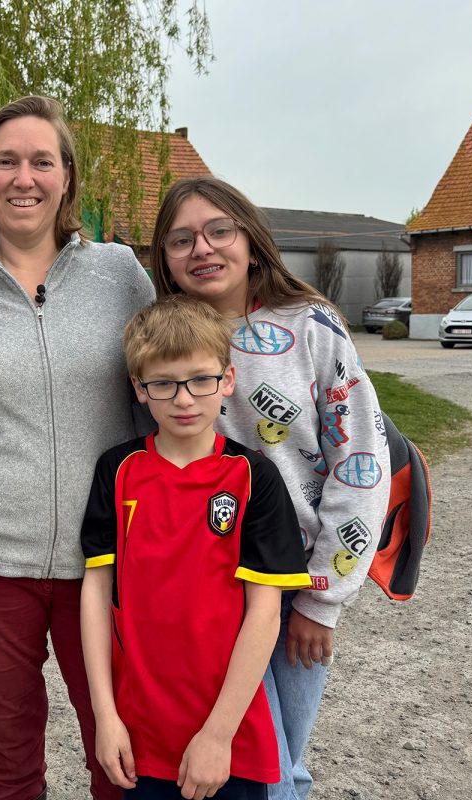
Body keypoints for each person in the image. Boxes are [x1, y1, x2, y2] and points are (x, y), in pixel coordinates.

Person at [0, 95, 155, 800]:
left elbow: (169, 384)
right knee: (10, 748)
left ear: (68, 178)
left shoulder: (120, 274)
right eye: (6, 161)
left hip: (108, 559)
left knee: (121, 745)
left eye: (41, 161)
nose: (24, 178)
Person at [147, 178, 391, 800]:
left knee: (288, 760)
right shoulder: (163, 339)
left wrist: (322, 599)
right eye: (182, 239)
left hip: (294, 580)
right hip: (209, 586)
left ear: (251, 242)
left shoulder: (311, 326)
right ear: (166, 260)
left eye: (218, 230)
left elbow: (359, 458)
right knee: (259, 762)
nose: (202, 248)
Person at [79, 295, 312, 800]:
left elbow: (264, 614)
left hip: (229, 735)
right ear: (139, 389)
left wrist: (218, 734)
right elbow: (96, 594)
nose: (184, 399)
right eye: (163, 383)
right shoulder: (117, 471)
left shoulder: (254, 477)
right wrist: (106, 716)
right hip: (141, 732)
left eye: (200, 379)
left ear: (227, 380)